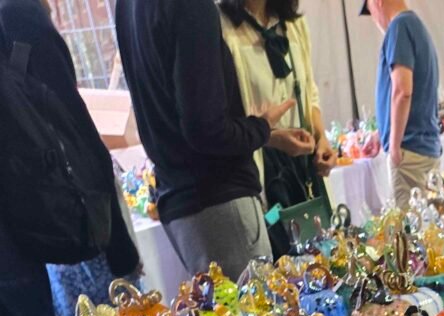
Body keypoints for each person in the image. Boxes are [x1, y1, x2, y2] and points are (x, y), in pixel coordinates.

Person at [115, 0, 314, 279]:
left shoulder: (128, 6)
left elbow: (182, 118)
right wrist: (262, 126)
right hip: (218, 201)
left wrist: (266, 134)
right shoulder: (190, 6)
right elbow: (206, 130)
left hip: (180, 199)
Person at [0, 0, 139, 316]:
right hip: (69, 237)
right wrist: (121, 248)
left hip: (44, 241)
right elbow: (76, 135)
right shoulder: (21, 19)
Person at [219, 0, 336, 256]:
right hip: (260, 167)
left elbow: (310, 91)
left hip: (303, 168)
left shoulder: (294, 25)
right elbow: (223, 117)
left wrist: (321, 138)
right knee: (279, 259)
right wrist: (272, 138)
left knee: (321, 257)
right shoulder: (223, 28)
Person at [361, 0, 441, 208]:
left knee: (412, 232)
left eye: (370, 12)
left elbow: (402, 91)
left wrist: (395, 145)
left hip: (409, 151)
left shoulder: (399, 27)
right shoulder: (415, 26)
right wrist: (382, 133)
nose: (375, 21)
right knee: (428, 224)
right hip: (421, 147)